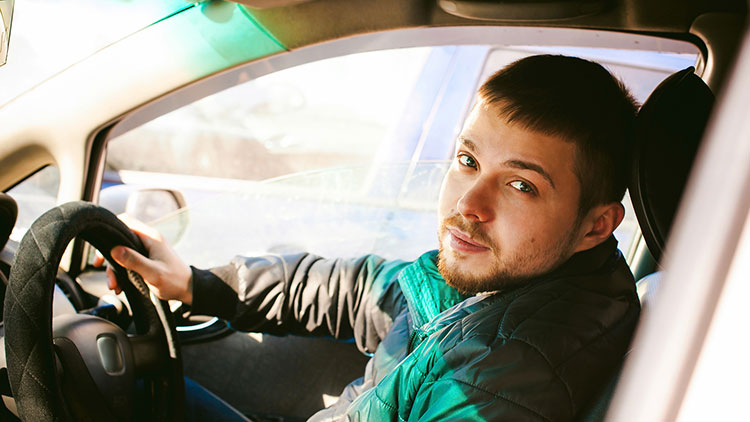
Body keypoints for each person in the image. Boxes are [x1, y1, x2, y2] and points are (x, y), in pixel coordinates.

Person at [106, 54, 641, 421]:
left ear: (596, 225)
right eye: (467, 160)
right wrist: (199, 285)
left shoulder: (506, 383)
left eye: (521, 185)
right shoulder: (506, 282)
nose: (467, 205)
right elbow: (369, 289)